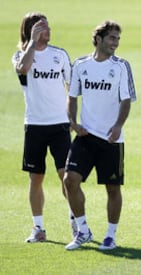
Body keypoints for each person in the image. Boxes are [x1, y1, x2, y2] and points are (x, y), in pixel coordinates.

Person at [63, 20, 136, 251]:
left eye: (118, 39)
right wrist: (73, 123)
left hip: (111, 139)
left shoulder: (122, 66)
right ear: (98, 39)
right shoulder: (81, 65)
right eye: (112, 38)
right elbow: (72, 96)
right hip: (85, 136)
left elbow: (126, 100)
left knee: (112, 189)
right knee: (69, 180)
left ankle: (110, 236)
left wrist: (118, 125)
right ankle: (83, 231)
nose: (116, 43)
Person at [12, 12, 76, 243]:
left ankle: (75, 222)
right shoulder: (21, 55)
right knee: (35, 178)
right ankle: (38, 228)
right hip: (35, 125)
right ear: (30, 31)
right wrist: (31, 42)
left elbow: (72, 86)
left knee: (66, 176)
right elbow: (23, 69)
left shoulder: (59, 55)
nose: (48, 31)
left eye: (48, 26)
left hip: (60, 124)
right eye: (42, 27)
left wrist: (72, 116)